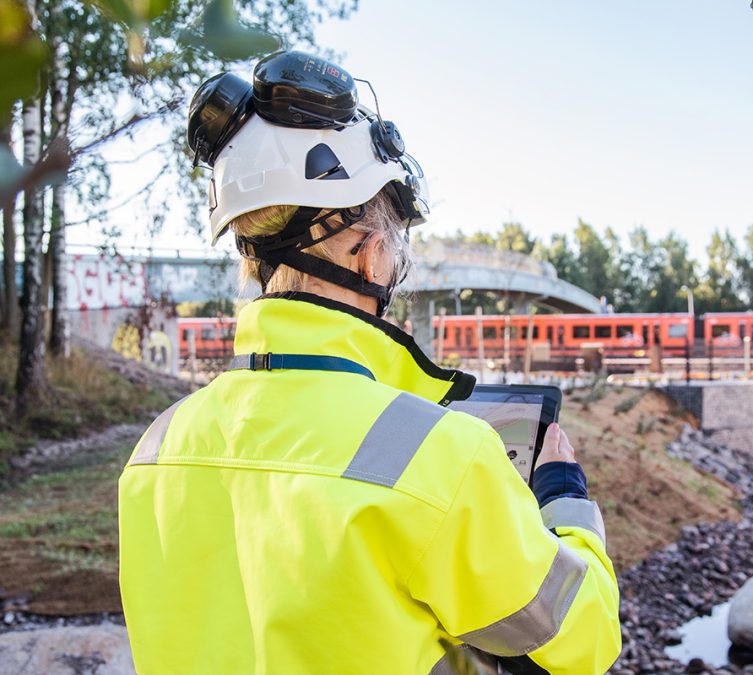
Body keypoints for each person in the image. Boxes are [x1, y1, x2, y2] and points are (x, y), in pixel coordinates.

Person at [119, 50, 620, 674]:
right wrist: (564, 500)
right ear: (369, 256)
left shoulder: (153, 453)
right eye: (395, 243)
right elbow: (585, 639)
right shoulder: (442, 456)